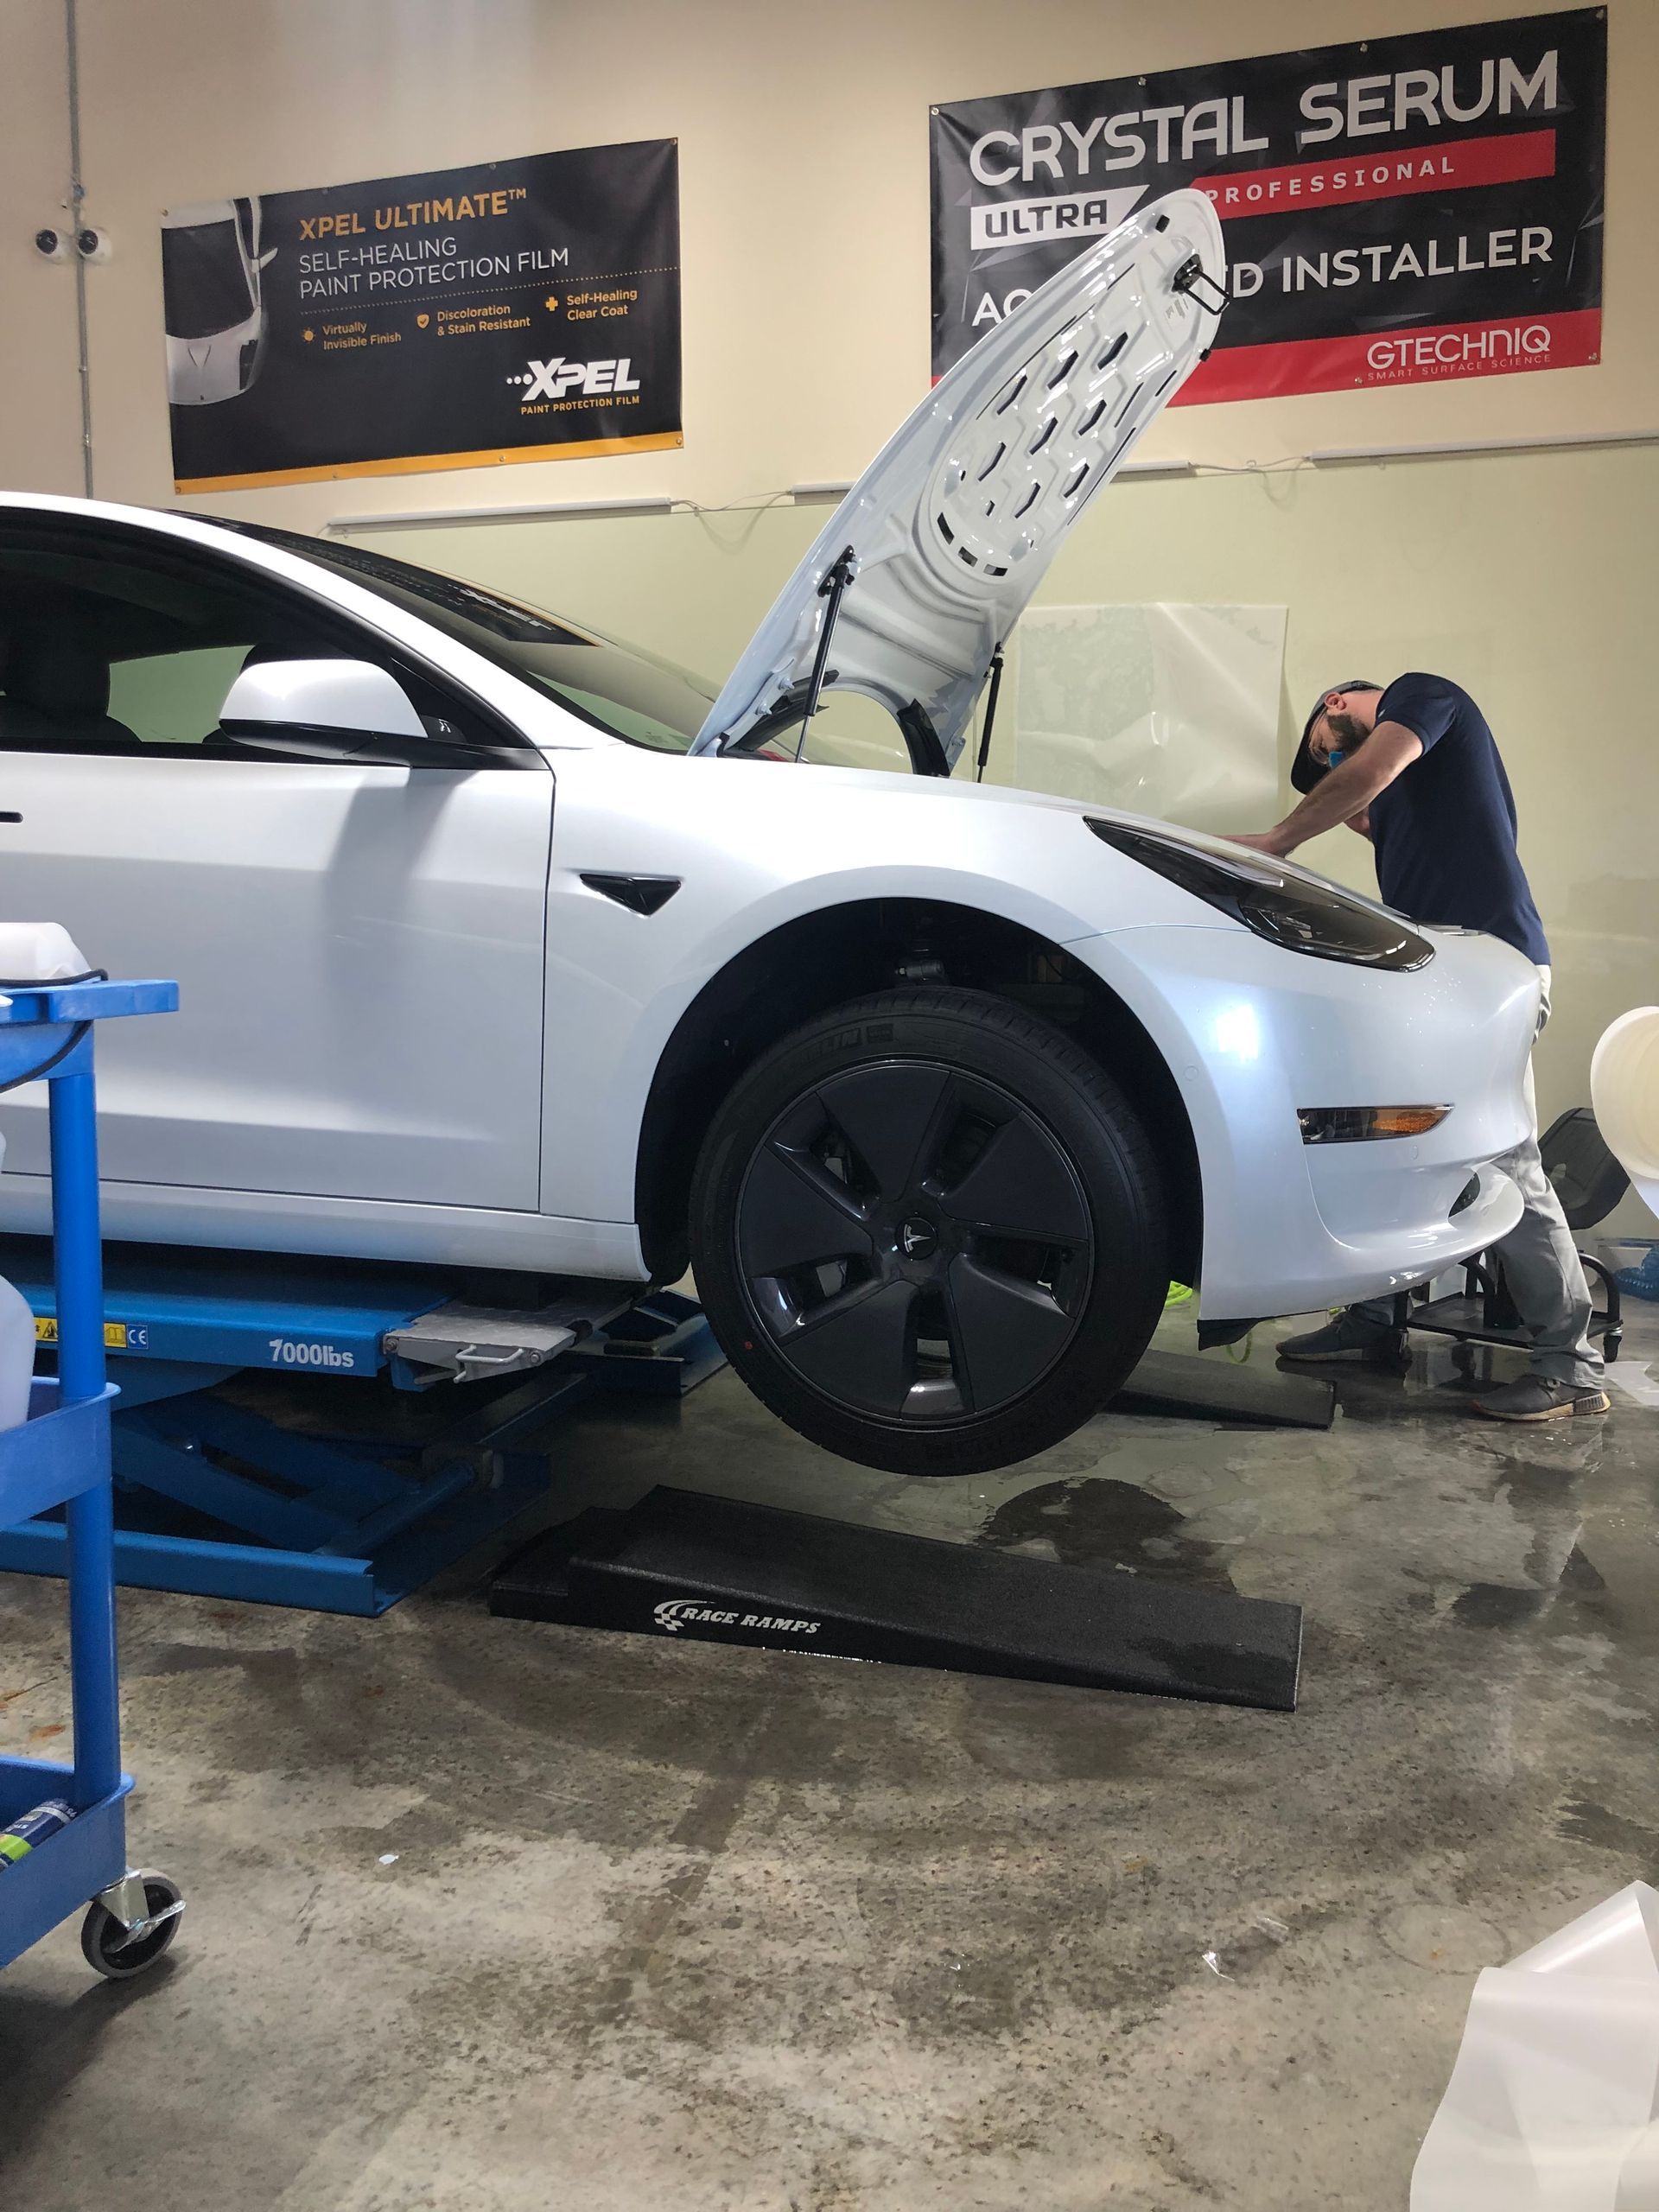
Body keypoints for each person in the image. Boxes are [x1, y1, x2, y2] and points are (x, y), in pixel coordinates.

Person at [1231, 674, 1609, 1423]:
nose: (1338, 781)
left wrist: (1279, 839)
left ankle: (1572, 1368)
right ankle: (1376, 1323)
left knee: (1504, 1160)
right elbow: (1368, 799)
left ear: (1337, 705)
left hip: (1490, 969)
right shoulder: (1405, 791)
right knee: (1383, 1142)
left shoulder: (1423, 694)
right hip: (1437, 978)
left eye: (1325, 755)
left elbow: (1370, 769)